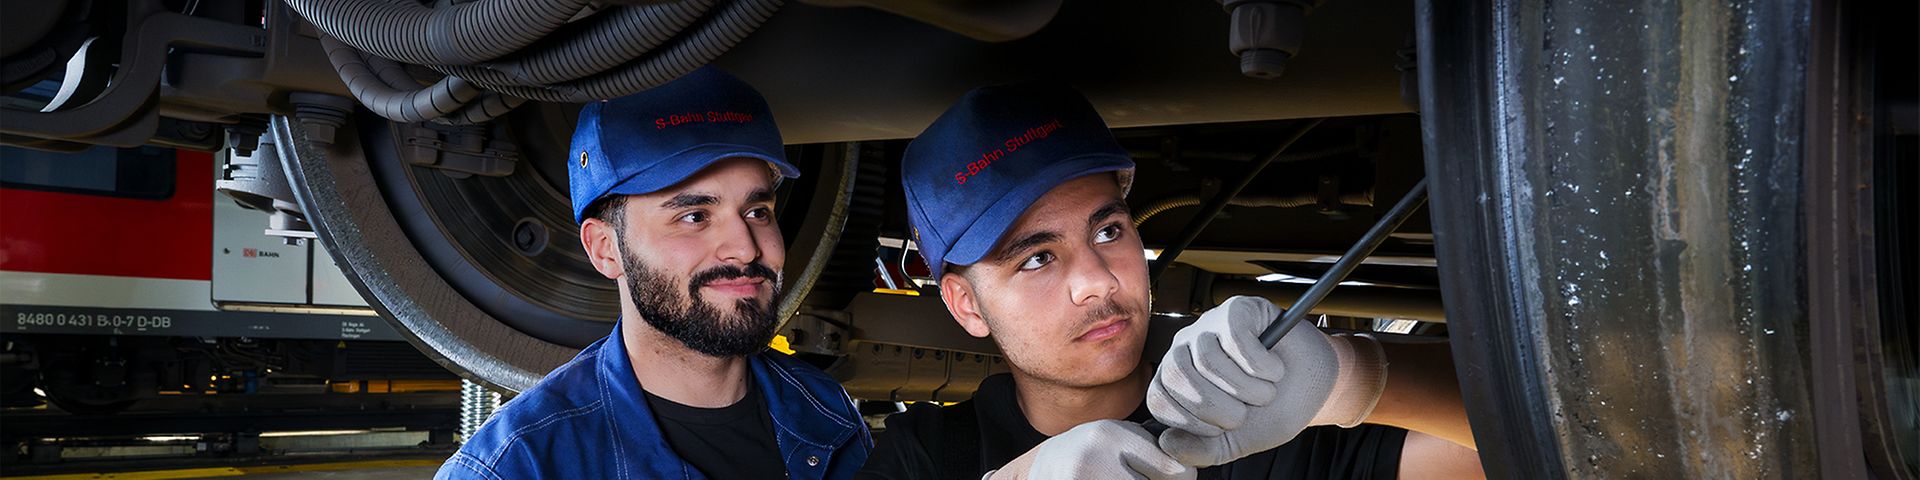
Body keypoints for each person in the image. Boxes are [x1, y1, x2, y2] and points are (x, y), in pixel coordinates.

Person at [858, 82, 1482, 479]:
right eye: (1038, 258)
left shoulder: (1258, 415)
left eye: (1108, 233)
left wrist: (1355, 378)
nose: (1097, 283)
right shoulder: (930, 458)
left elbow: (1540, 444)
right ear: (966, 304)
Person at [437, 67, 871, 479]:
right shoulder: (516, 467)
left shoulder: (823, 408)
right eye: (695, 216)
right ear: (606, 249)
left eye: (758, 211)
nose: (745, 247)